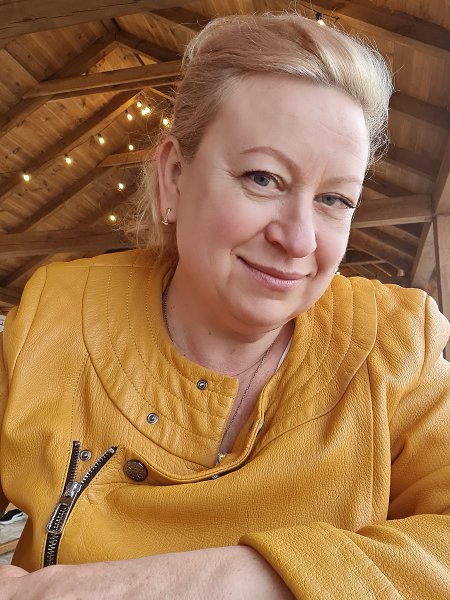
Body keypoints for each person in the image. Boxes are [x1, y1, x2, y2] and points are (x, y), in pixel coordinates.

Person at [0, 12, 449, 599]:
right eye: (263, 178)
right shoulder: (54, 315)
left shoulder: (397, 341)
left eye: (336, 199)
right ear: (174, 176)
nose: (299, 240)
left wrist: (214, 582)